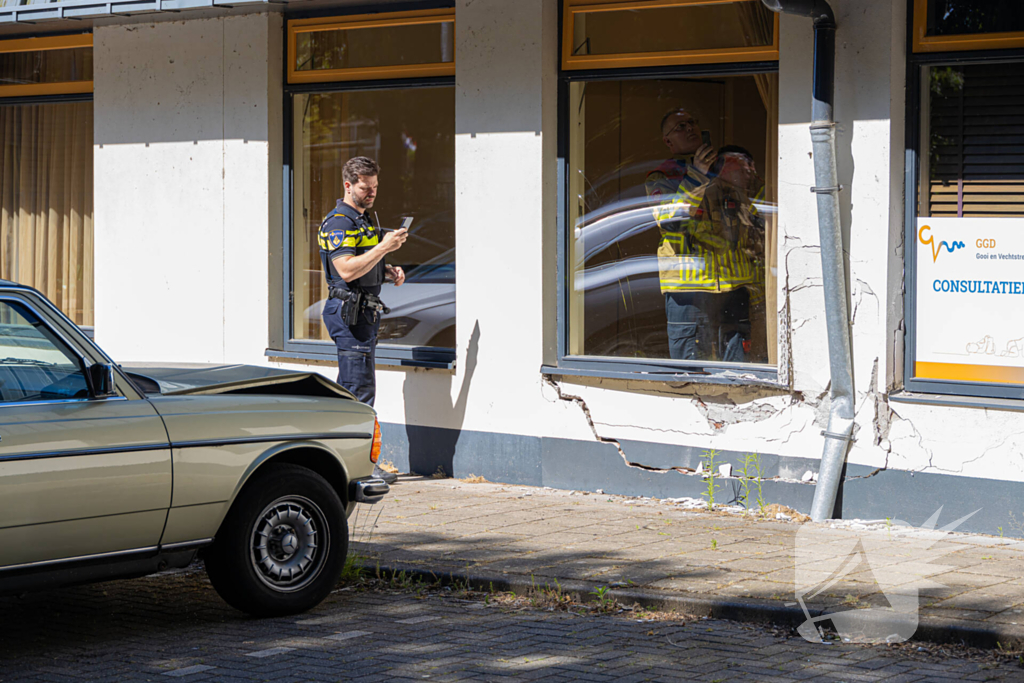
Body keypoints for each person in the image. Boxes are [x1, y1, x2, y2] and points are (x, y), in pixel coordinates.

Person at [318, 156, 407, 484]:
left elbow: (364, 265)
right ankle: (357, 468)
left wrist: (388, 269)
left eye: (375, 188)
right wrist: (383, 248)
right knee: (357, 391)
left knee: (357, 388)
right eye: (365, 188)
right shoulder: (340, 222)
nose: (371, 193)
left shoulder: (363, 220)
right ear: (348, 185)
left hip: (364, 312)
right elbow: (345, 269)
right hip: (349, 314)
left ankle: (350, 463)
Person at [645, 108, 718, 361]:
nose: (690, 128)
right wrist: (697, 174)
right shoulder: (661, 177)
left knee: (733, 370)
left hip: (729, 285)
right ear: (668, 141)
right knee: (691, 368)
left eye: (693, 122)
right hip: (687, 286)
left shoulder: (723, 171)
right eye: (681, 126)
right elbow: (671, 221)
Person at [690, 145, 768, 363]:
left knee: (745, 351)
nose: (749, 172)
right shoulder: (707, 194)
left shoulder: (755, 196)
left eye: (751, 167)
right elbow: (691, 229)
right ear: (722, 168)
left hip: (749, 291)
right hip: (713, 289)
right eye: (742, 167)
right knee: (709, 351)